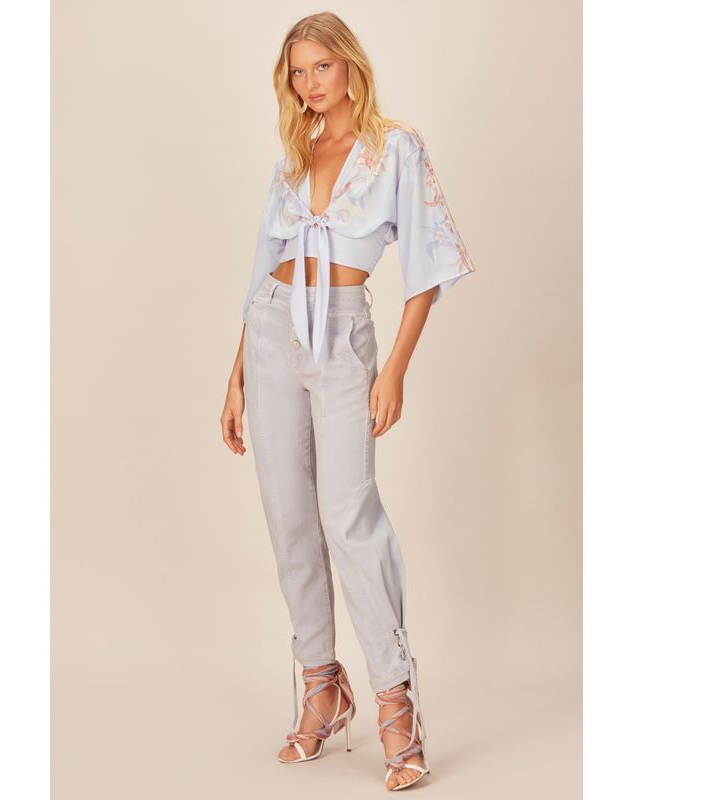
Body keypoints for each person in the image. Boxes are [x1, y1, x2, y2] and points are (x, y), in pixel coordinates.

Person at [220, 12, 475, 792]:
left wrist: (394, 368)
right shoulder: (294, 155)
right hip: (271, 332)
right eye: (297, 72)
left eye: (321, 67)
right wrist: (234, 374)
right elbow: (264, 267)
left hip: (342, 335)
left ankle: (397, 703)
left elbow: (428, 267)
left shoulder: (395, 148)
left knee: (347, 514)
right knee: (289, 516)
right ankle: (322, 687)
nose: (309, 83)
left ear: (350, 66)